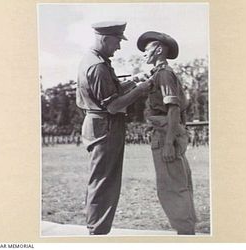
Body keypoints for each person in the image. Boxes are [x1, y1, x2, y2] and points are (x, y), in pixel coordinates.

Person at [76, 21, 153, 235]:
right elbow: (113, 105)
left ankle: (97, 229)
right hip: (105, 127)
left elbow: (111, 92)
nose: (119, 46)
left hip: (101, 125)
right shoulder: (98, 66)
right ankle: (97, 232)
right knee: (103, 182)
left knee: (102, 180)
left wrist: (134, 81)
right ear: (105, 38)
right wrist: (141, 89)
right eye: (118, 40)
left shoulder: (96, 60)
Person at [137, 31, 197, 235]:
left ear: (159, 50)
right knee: (176, 183)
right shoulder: (159, 73)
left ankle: (185, 233)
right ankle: (186, 230)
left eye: (146, 50)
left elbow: (173, 109)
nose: (143, 54)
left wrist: (170, 142)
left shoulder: (163, 74)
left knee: (172, 186)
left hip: (165, 136)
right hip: (165, 134)